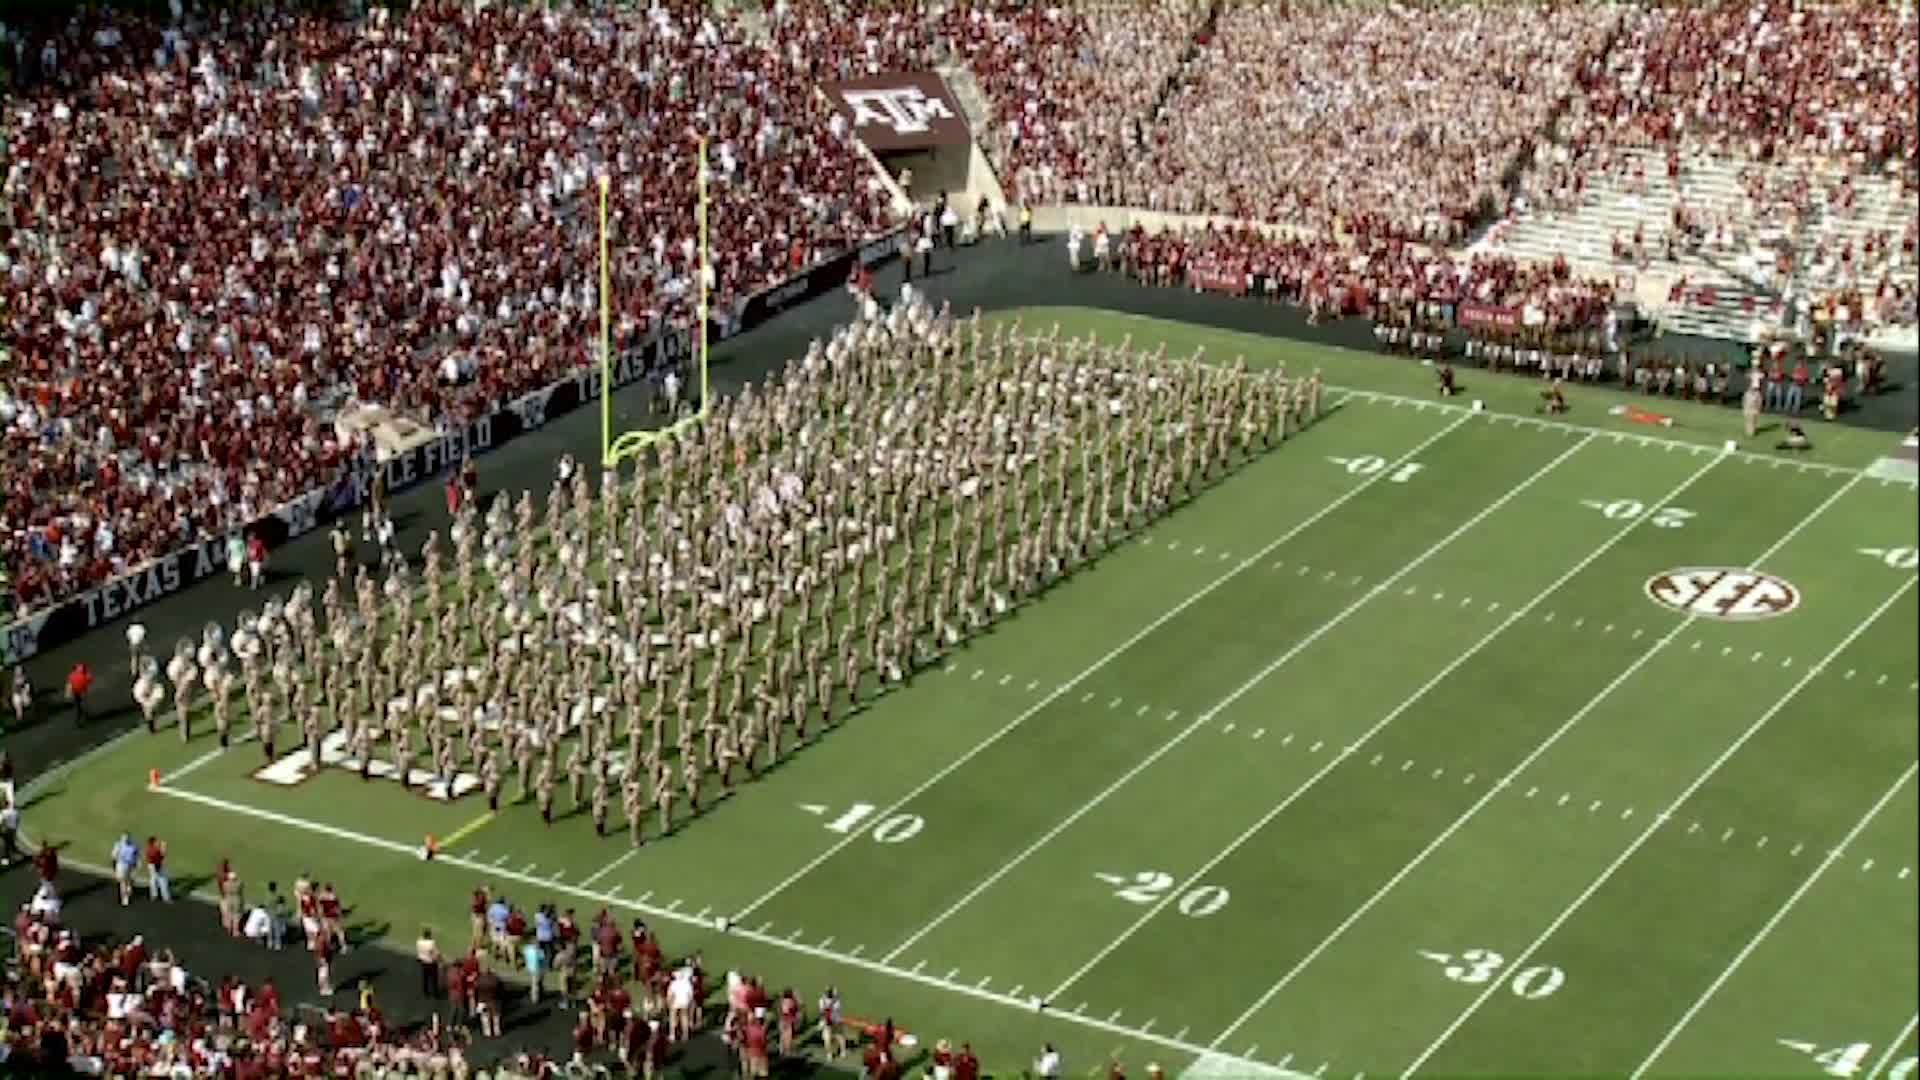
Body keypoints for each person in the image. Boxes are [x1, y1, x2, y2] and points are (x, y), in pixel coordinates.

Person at [111, 833, 139, 905]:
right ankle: (125, 897)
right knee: (124, 882)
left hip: (127, 865)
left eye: (126, 838)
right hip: (122, 865)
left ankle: (126, 896)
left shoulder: (132, 846)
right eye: (124, 838)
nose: (125, 839)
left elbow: (113, 856)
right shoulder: (120, 845)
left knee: (127, 882)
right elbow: (114, 856)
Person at [417, 928, 442, 997]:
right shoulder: (431, 943)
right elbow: (435, 953)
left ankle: (426, 992)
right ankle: (435, 994)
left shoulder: (419, 942)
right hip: (431, 963)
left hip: (423, 962)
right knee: (434, 979)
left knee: (425, 978)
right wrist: (439, 960)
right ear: (428, 936)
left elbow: (421, 939)